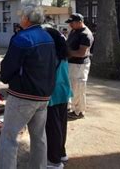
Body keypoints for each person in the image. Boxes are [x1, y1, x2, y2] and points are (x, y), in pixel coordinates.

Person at [0, 5, 57, 169]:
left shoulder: (22, 38)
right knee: (39, 137)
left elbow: (10, 65)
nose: (20, 18)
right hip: (43, 95)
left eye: (22, 16)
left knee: (9, 137)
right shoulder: (48, 37)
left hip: (23, 95)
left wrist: (5, 77)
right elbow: (54, 64)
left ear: (27, 19)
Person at [44, 27, 73, 168]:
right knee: (61, 125)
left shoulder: (50, 55)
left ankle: (54, 161)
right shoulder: (63, 54)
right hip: (64, 92)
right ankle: (61, 152)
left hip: (53, 94)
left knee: (53, 127)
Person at [65, 13, 94, 120]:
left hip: (79, 65)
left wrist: (66, 53)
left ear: (79, 22)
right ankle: (71, 106)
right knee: (71, 86)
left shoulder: (86, 34)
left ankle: (79, 111)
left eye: (72, 23)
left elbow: (82, 53)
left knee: (78, 88)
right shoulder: (74, 31)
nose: (70, 25)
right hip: (71, 64)